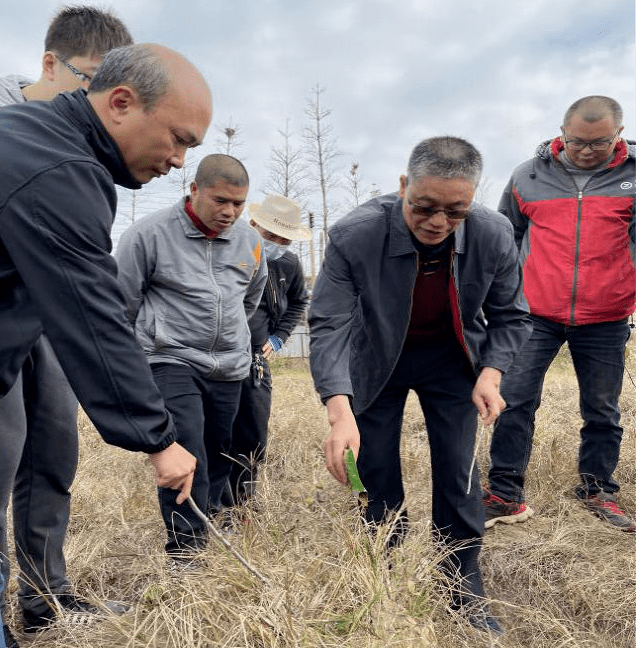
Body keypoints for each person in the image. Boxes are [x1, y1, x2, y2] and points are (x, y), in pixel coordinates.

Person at [0, 43, 213, 648]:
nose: (179, 160)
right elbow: (95, 318)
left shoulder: (28, 136)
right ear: (120, 103)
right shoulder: (57, 169)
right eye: (178, 138)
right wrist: (159, 439)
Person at [309, 136, 532, 634]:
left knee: (457, 471)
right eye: (424, 207)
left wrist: (491, 374)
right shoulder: (355, 234)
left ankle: (462, 585)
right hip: (377, 358)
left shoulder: (494, 235)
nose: (438, 223)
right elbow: (329, 324)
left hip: (453, 361)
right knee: (377, 468)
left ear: (473, 199)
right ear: (404, 185)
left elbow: (512, 317)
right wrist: (338, 412)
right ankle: (381, 576)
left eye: (456, 212)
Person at [0, 8, 133, 644]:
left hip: (45, 318)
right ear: (50, 65)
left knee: (53, 450)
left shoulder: (86, 148)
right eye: (91, 81)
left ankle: (48, 595)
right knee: (1, 455)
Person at [484, 96, 636, 532]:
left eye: (598, 143)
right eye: (576, 142)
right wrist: (505, 295)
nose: (586, 151)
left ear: (618, 136)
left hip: (606, 316)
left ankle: (597, 490)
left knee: (602, 409)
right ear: (561, 133)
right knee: (514, 401)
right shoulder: (527, 176)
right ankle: (504, 493)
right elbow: (504, 236)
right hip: (534, 314)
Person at [115, 154, 267, 560]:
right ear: (194, 190)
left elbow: (250, 298)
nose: (230, 212)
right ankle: (186, 551)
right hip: (170, 359)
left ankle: (210, 516)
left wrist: (230, 336)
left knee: (219, 450)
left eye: (239, 203)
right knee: (188, 449)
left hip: (229, 366)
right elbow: (122, 303)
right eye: (221, 200)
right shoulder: (148, 235)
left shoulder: (250, 242)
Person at [224, 195, 311, 507]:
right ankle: (215, 505)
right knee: (219, 431)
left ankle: (244, 501)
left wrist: (278, 337)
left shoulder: (288, 264)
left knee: (254, 434)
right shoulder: (228, 253)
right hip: (217, 356)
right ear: (254, 225)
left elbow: (299, 301)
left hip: (256, 361)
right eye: (270, 235)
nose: (276, 243)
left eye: (283, 238)